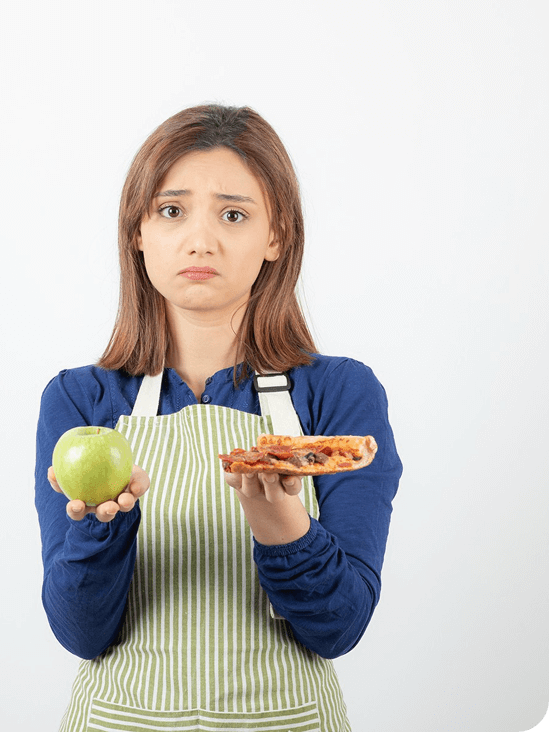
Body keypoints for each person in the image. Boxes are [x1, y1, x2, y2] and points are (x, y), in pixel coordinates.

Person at [35, 104, 402, 732]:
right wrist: (102, 529)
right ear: (138, 233)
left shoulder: (338, 395)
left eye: (234, 214)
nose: (200, 239)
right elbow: (80, 633)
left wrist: (280, 521)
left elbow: (339, 628)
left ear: (276, 236)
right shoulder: (81, 402)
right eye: (171, 211)